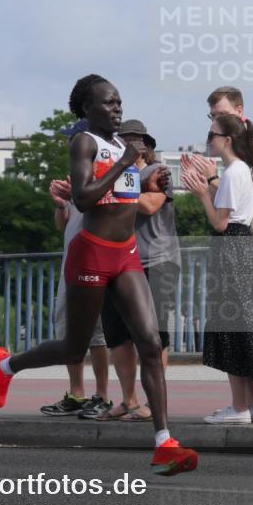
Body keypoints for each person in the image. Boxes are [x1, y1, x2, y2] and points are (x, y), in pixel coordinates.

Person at [0, 75, 197, 476]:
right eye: (109, 103)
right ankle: (5, 366)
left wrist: (145, 180)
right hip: (91, 255)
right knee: (73, 349)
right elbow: (83, 197)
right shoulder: (84, 142)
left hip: (126, 254)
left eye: (119, 102)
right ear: (87, 108)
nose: (117, 109)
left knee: (151, 343)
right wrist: (125, 164)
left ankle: (164, 443)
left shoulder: (118, 146)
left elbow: (118, 194)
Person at [182, 113, 253, 425]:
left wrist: (202, 194)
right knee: (242, 328)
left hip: (230, 249)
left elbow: (220, 222)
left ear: (226, 140)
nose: (208, 140)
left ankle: (239, 407)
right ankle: (249, 405)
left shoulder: (232, 172)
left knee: (230, 329)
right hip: (242, 250)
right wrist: (208, 184)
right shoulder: (243, 169)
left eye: (212, 135)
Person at [97, 119, 180, 422]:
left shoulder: (158, 172)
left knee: (155, 336)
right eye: (124, 139)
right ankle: (129, 401)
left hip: (157, 261)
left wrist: (110, 191)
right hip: (118, 261)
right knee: (117, 335)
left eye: (136, 139)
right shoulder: (112, 172)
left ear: (146, 145)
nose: (131, 144)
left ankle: (153, 402)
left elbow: (149, 206)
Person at [40, 119, 111, 419]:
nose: (69, 143)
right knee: (70, 330)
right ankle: (76, 393)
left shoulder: (104, 173)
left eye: (73, 138)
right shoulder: (76, 176)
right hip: (71, 264)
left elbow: (109, 214)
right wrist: (60, 204)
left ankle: (102, 395)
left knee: (97, 334)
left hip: (95, 263)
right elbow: (63, 224)